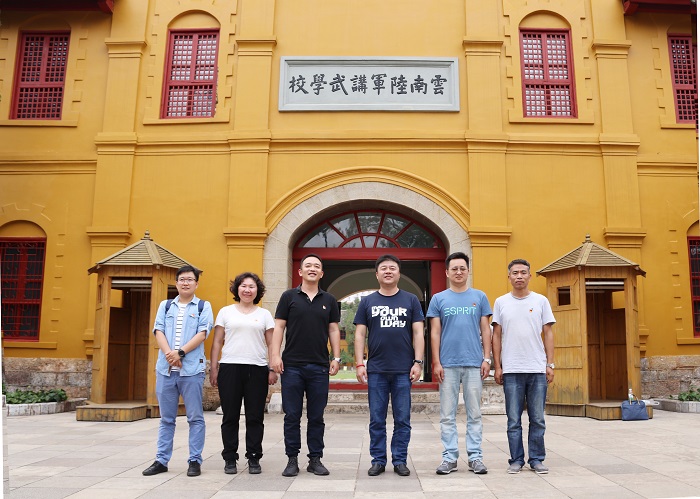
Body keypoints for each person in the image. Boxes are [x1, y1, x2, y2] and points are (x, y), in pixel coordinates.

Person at [270, 254, 341, 477]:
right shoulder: (288, 297)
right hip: (292, 366)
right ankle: (292, 459)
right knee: (292, 415)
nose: (312, 269)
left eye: (316, 266)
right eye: (308, 265)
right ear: (300, 272)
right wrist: (275, 356)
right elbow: (279, 327)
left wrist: (336, 358)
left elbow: (333, 329)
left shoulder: (329, 299)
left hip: (319, 366)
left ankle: (315, 459)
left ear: (321, 273)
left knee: (316, 416)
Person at [354, 254, 425, 477]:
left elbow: (418, 333)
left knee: (403, 419)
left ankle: (400, 460)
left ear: (399, 273)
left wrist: (418, 362)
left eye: (392, 268)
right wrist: (359, 363)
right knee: (377, 419)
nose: (388, 271)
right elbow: (359, 334)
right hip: (376, 370)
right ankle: (378, 460)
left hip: (403, 370)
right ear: (377, 274)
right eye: (383, 268)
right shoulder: (367, 301)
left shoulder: (411, 300)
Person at [143, 265, 213, 477]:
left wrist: (180, 353)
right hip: (166, 370)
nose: (185, 283)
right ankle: (161, 460)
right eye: (182, 279)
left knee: (195, 417)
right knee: (166, 418)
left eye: (190, 279)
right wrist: (170, 355)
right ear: (176, 283)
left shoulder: (203, 306)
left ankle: (194, 460)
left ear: (196, 284)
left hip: (191, 370)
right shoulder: (165, 306)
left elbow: (203, 333)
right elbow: (158, 330)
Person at [427, 251, 492, 475]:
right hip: (448, 364)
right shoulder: (438, 299)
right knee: (447, 415)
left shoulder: (480, 297)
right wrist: (436, 362)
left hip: (474, 363)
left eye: (462, 268)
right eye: (454, 269)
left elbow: (486, 330)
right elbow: (435, 332)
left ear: (468, 271)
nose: (458, 272)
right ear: (447, 272)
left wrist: (487, 358)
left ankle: (475, 458)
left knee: (475, 414)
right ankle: (449, 458)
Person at [210, 272, 278, 475]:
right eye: (243, 286)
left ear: (258, 291)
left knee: (255, 417)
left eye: (252, 286)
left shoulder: (264, 314)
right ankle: (230, 457)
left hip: (257, 369)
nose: (247, 290)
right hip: (230, 367)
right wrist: (214, 368)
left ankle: (254, 457)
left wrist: (272, 368)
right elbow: (217, 342)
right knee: (230, 416)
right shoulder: (226, 312)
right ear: (237, 288)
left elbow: (272, 344)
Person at [492, 259, 556, 475]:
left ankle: (536, 459)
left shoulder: (541, 301)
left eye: (523, 272)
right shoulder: (501, 302)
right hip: (511, 369)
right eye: (515, 273)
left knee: (537, 419)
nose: (519, 276)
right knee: (513, 419)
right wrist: (497, 366)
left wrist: (550, 363)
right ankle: (516, 460)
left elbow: (548, 333)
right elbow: (496, 335)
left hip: (537, 368)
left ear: (529, 276)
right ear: (509, 276)